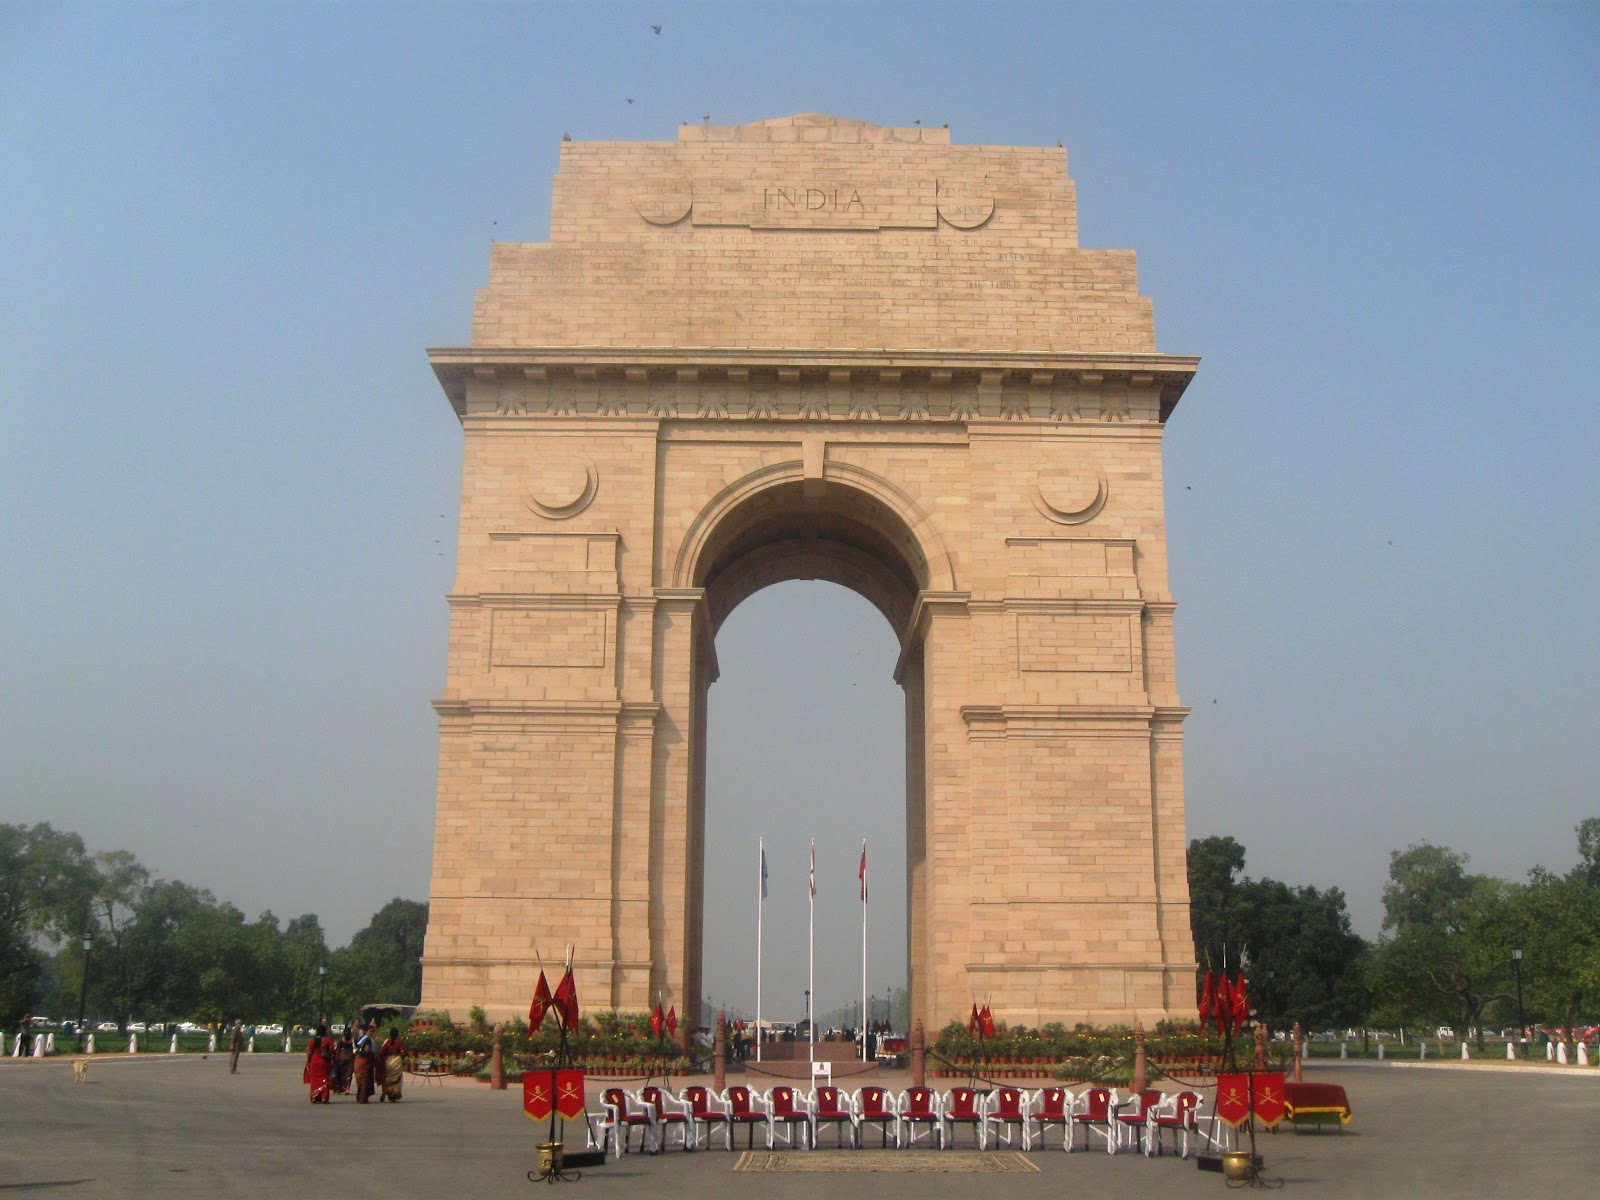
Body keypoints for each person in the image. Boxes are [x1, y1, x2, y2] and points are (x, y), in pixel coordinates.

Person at [378, 1026, 405, 1102]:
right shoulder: (399, 1042)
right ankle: (393, 1095)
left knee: (387, 1077)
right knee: (396, 1079)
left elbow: (381, 1052)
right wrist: (403, 1057)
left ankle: (385, 1090)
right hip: (397, 1062)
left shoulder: (387, 1042)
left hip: (388, 1062)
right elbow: (402, 1052)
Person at [304, 1028, 332, 1103]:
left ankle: (314, 1097)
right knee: (324, 1079)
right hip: (324, 1062)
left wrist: (309, 1060)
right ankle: (324, 1098)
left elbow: (309, 1052)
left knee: (314, 1080)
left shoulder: (313, 1041)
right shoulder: (328, 1040)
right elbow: (332, 1050)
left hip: (314, 1061)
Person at [353, 1024, 376, 1103]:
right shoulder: (367, 1040)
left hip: (358, 1061)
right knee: (365, 1080)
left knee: (360, 1079)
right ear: (366, 1031)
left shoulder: (361, 1038)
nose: (371, 1033)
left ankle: (360, 1096)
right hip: (365, 1061)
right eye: (370, 1031)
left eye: (372, 1032)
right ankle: (363, 1098)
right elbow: (367, 1050)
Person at [334, 1028, 355, 1094]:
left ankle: (339, 1088)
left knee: (340, 1073)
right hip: (349, 1058)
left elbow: (337, 1050)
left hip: (341, 1058)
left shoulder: (341, 1040)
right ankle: (346, 1088)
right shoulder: (352, 1041)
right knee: (348, 1074)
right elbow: (354, 1049)